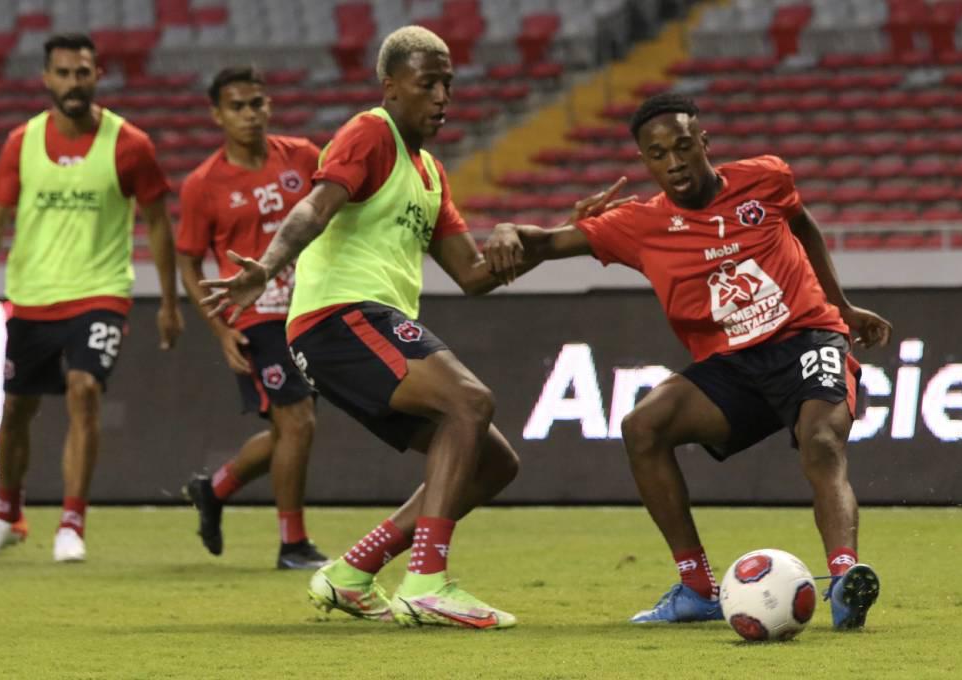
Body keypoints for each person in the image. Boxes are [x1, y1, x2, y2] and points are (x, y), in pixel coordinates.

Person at [200, 26, 624, 629]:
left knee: (493, 462)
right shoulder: (370, 132)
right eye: (429, 83)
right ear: (391, 87)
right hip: (338, 317)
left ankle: (351, 573)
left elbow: (475, 275)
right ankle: (427, 580)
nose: (443, 97)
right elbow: (314, 207)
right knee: (470, 401)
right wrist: (267, 265)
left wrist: (554, 236)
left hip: (368, 326)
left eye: (448, 83)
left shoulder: (430, 174)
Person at [483, 93, 892, 630]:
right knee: (642, 427)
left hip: (807, 339)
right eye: (657, 154)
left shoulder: (765, 178)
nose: (673, 162)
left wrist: (840, 306)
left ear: (704, 143)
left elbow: (802, 225)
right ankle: (697, 587)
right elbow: (545, 243)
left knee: (822, 442)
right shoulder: (638, 224)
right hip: (732, 366)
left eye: (682, 146)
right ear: (645, 162)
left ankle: (843, 580)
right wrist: (508, 229)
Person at [0, 33, 183, 562]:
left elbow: (157, 224)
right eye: (62, 73)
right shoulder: (22, 142)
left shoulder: (130, 144)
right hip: (33, 296)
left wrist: (171, 303)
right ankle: (7, 517)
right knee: (17, 410)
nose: (72, 83)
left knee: (85, 390)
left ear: (97, 75)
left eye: (81, 73)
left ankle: (71, 522)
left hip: (100, 291)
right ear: (46, 78)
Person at [176, 66, 328, 570]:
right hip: (255, 317)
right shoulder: (203, 185)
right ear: (217, 115)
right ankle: (292, 545)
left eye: (257, 103)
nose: (249, 114)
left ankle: (213, 489)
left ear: (269, 106)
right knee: (299, 422)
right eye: (237, 106)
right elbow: (188, 258)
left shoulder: (303, 157)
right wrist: (219, 328)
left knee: (290, 431)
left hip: (308, 309)